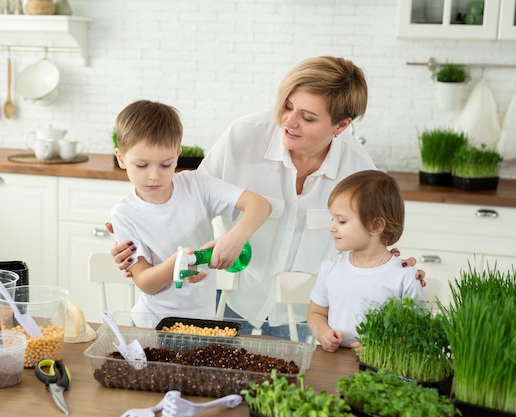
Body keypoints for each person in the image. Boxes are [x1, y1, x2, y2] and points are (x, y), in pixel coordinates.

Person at [109, 56, 424, 333]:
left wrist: (394, 269)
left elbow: (373, 241)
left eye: (308, 117)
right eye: (288, 105)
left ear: (341, 126)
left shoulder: (358, 170)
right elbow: (183, 199)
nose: (289, 120)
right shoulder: (242, 137)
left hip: (308, 317)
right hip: (231, 304)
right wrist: (138, 226)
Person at [110, 100, 271, 327]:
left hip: (202, 321)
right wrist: (179, 262)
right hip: (152, 324)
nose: (154, 176)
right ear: (121, 158)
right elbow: (145, 282)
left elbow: (260, 205)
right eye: (142, 165)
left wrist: (235, 238)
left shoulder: (196, 186)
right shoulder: (124, 213)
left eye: (165, 165)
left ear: (177, 154)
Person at [307, 170, 426, 353]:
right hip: (333, 361)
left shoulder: (404, 276)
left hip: (382, 368)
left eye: (342, 221)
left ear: (376, 225)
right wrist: (323, 333)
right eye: (333, 219)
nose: (331, 227)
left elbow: (419, 331)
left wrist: (382, 348)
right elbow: (316, 313)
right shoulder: (330, 267)